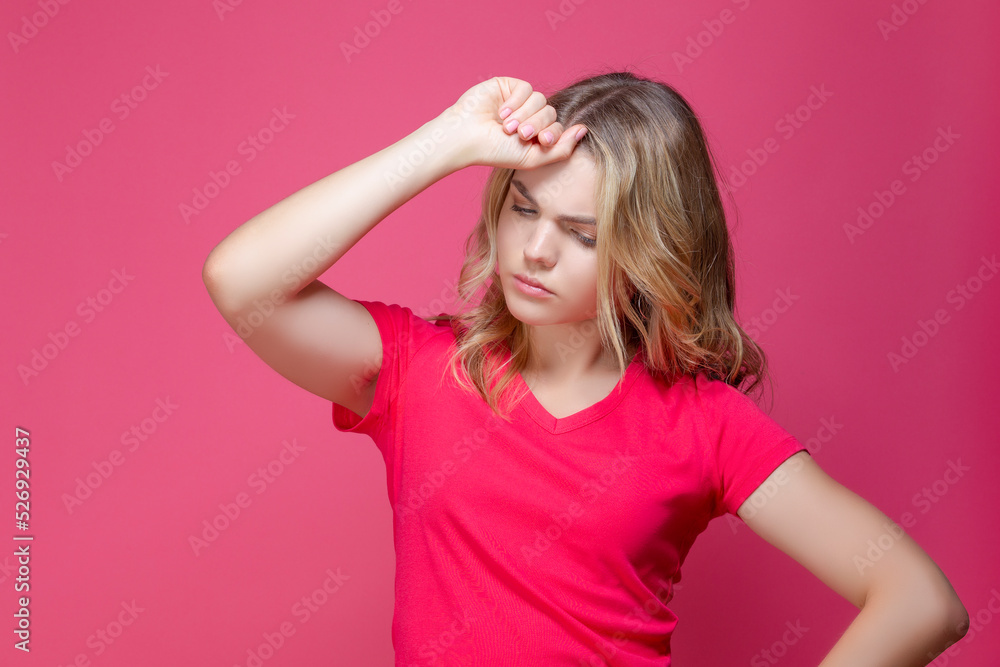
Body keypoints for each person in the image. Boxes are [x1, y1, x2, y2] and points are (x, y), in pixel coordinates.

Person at [202, 72, 969, 665]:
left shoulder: (705, 424)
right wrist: (447, 141)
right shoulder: (422, 370)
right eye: (524, 208)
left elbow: (919, 599)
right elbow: (243, 280)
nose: (535, 251)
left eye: (583, 233)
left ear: (649, 256)